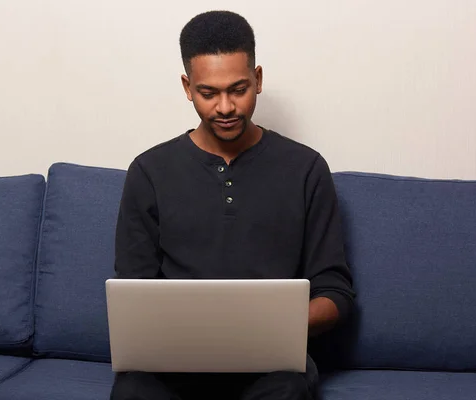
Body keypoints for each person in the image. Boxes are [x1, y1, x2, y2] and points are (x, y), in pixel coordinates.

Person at [110, 10, 355, 400]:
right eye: (209, 93)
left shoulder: (306, 169)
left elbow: (335, 292)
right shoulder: (149, 171)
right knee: (133, 391)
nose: (225, 107)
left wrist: (268, 328)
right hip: (175, 363)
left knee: (288, 388)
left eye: (238, 89)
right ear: (188, 87)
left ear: (258, 80)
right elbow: (134, 291)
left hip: (269, 365)